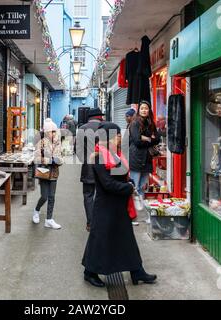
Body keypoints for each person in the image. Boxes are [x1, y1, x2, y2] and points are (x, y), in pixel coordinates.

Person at [82, 121, 157, 287]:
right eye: (116, 136)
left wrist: (128, 181)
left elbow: (122, 175)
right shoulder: (99, 157)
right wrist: (128, 188)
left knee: (127, 239)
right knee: (100, 239)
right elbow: (107, 184)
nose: (118, 139)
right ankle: (90, 272)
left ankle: (137, 271)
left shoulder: (115, 154)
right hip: (105, 206)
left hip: (119, 205)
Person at [76, 108, 105, 232]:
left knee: (88, 196)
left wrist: (86, 160)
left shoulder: (82, 128)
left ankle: (90, 223)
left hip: (88, 168)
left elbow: (77, 150)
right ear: (100, 117)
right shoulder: (106, 127)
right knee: (102, 195)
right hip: (104, 168)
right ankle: (101, 222)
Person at [33, 118, 64, 230]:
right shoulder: (40, 142)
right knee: (44, 196)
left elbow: (61, 159)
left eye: (55, 131)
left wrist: (55, 160)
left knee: (52, 197)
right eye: (51, 131)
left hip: (54, 173)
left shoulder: (58, 141)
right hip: (44, 173)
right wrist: (51, 160)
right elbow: (37, 158)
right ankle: (36, 210)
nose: (54, 133)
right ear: (46, 132)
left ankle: (49, 220)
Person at [129, 101, 161, 196]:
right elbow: (137, 142)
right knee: (135, 187)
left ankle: (141, 208)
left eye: (146, 108)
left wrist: (146, 138)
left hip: (147, 159)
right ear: (138, 110)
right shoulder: (135, 123)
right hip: (136, 158)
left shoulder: (150, 123)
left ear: (149, 110)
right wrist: (150, 139)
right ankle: (135, 209)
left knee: (143, 187)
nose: (144, 110)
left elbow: (158, 139)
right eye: (142, 108)